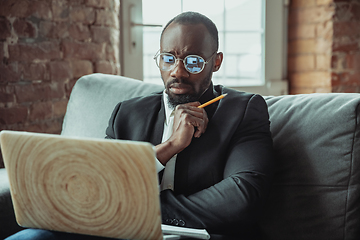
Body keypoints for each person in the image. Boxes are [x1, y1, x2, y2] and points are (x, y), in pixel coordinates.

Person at [6, 11, 273, 240]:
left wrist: (139, 209)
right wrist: (169, 147)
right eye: (168, 58)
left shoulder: (243, 110)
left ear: (216, 62)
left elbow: (243, 196)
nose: (177, 72)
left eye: (193, 62)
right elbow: (98, 187)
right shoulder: (127, 113)